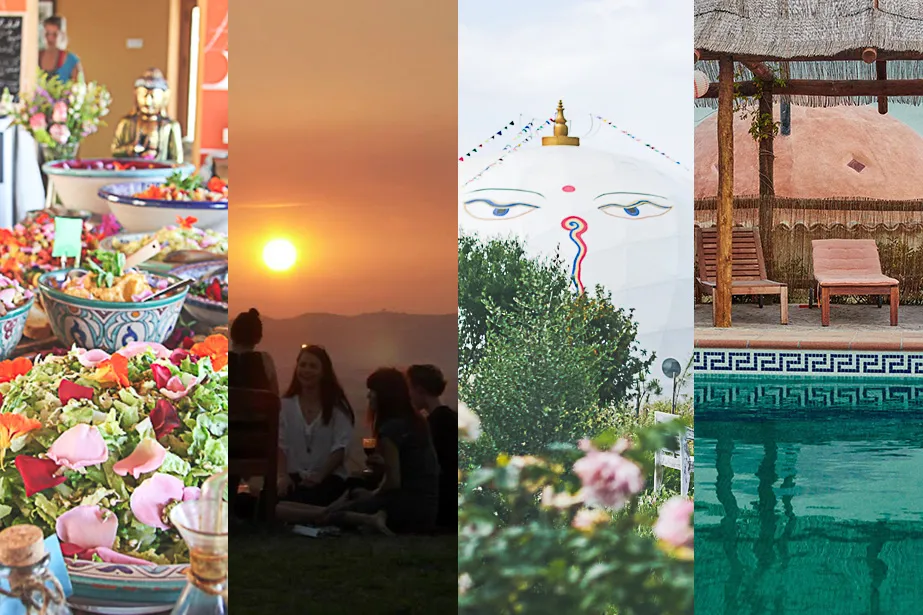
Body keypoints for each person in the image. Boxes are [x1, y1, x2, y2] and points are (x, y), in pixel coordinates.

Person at [278, 368, 440, 535]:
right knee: (353, 492)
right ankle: (333, 513)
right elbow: (409, 471)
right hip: (426, 509)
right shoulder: (416, 422)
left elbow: (393, 482)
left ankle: (362, 518)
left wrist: (372, 494)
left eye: (372, 391)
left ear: (385, 395)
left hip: (404, 509)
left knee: (331, 510)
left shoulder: (390, 430)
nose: (369, 396)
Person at [277, 345, 355, 506]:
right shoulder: (285, 406)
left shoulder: (337, 409)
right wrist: (283, 476)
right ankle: (324, 514)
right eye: (303, 365)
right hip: (294, 477)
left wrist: (320, 475)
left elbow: (341, 447)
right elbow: (280, 444)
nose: (306, 370)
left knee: (312, 498)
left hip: (327, 478)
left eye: (313, 366)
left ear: (323, 372)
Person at [407, 364, 456, 531]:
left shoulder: (434, 424)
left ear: (420, 390)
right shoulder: (451, 418)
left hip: (442, 503)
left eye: (410, 390)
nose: (408, 396)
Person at [228, 309, 278, 394]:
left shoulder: (222, 360)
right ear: (258, 337)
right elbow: (274, 396)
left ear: (232, 334)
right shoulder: (265, 360)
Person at [38, 17, 83, 83]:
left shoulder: (71, 60)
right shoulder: (36, 57)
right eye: (47, 34)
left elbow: (79, 88)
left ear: (62, 35)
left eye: (55, 35)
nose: (50, 38)